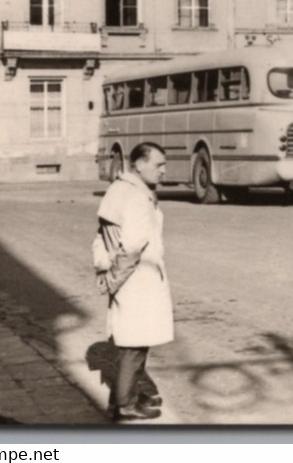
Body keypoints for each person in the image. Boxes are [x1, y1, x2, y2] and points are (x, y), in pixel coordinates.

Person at [93, 142, 173, 421]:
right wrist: (114, 278)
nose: (163, 171)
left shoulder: (118, 189)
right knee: (134, 344)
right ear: (138, 164)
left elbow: (100, 236)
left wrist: (105, 272)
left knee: (133, 340)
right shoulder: (138, 198)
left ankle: (126, 397)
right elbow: (134, 245)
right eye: (158, 165)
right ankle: (124, 404)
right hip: (136, 277)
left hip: (125, 275)